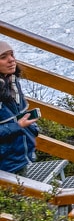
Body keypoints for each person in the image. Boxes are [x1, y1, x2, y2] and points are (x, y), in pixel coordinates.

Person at [0, 40, 39, 175]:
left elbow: (16, 114)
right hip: (6, 164)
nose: (11, 60)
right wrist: (18, 126)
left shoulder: (11, 82)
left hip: (19, 156)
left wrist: (32, 129)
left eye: (12, 54)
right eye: (3, 57)